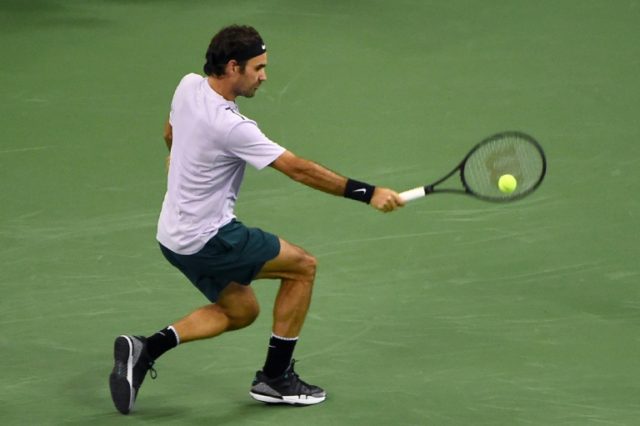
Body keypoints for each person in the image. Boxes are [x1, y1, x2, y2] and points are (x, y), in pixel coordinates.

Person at [109, 24, 404, 415]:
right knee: (302, 267)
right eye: (258, 68)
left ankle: (146, 349)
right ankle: (276, 378)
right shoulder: (232, 127)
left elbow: (170, 132)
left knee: (241, 311)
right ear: (233, 67)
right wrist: (369, 193)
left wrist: (181, 158)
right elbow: (298, 169)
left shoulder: (187, 86)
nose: (264, 76)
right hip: (210, 237)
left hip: (171, 236)